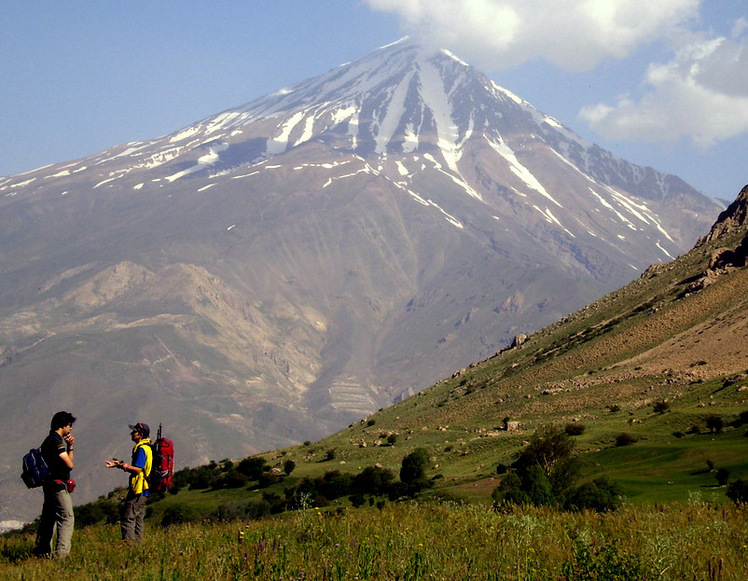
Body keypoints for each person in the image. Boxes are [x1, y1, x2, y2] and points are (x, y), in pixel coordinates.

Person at [34, 410, 76, 558]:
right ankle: (61, 554)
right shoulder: (56, 441)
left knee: (48, 518)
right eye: (69, 425)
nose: (70, 428)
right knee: (67, 517)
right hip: (58, 486)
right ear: (63, 425)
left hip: (49, 485)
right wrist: (69, 447)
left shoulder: (48, 440)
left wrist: (70, 446)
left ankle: (42, 551)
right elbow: (69, 465)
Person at [105, 422, 152, 541]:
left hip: (139, 488)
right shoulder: (147, 447)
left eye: (134, 431)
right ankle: (138, 544)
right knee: (138, 518)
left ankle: (129, 545)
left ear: (140, 434)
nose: (131, 433)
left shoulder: (141, 449)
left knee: (128, 518)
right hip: (145, 489)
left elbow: (138, 469)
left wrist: (121, 465)